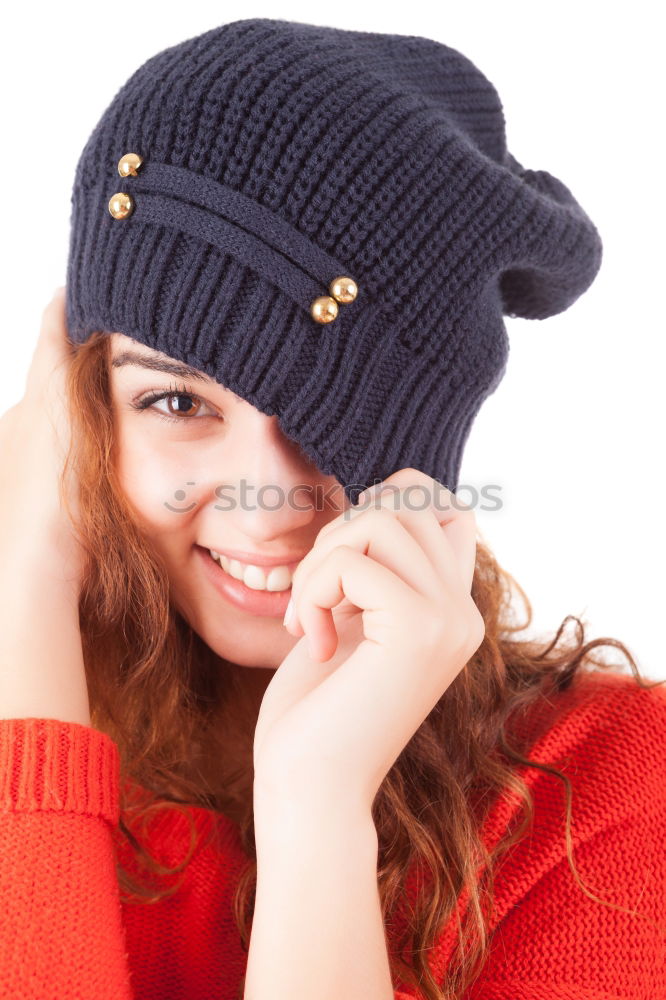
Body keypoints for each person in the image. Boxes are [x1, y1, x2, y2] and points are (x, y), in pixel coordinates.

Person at [0, 17, 664, 1000]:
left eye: (327, 418)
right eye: (176, 402)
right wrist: (25, 578)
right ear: (83, 408)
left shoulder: (609, 795)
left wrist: (318, 811)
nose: (265, 507)